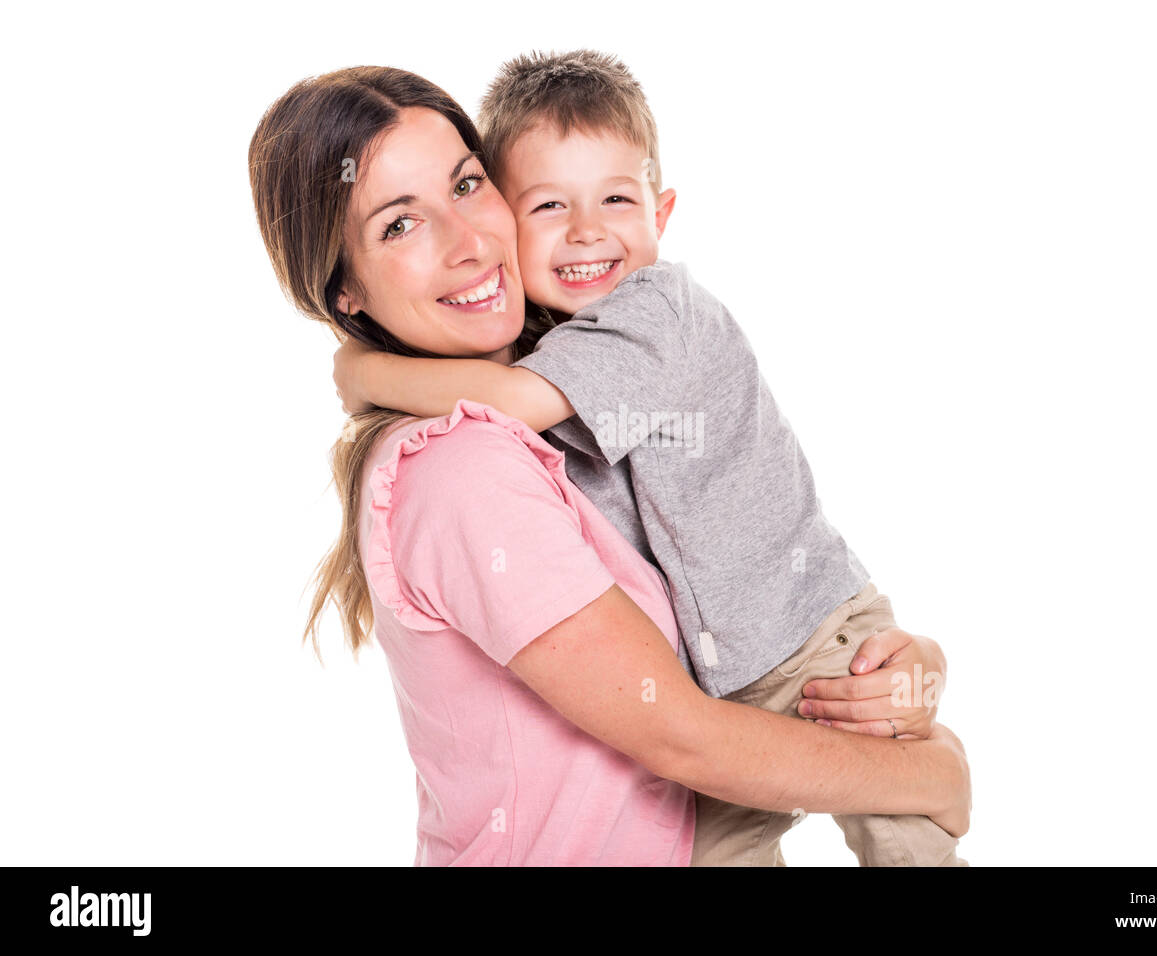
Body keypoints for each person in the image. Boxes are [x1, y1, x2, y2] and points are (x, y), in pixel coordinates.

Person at [249, 64, 970, 866]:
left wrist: (910, 668)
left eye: (465, 184)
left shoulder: (591, 352)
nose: (468, 242)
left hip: (799, 648)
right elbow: (684, 738)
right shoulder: (462, 461)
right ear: (343, 289)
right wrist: (924, 775)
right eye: (398, 224)